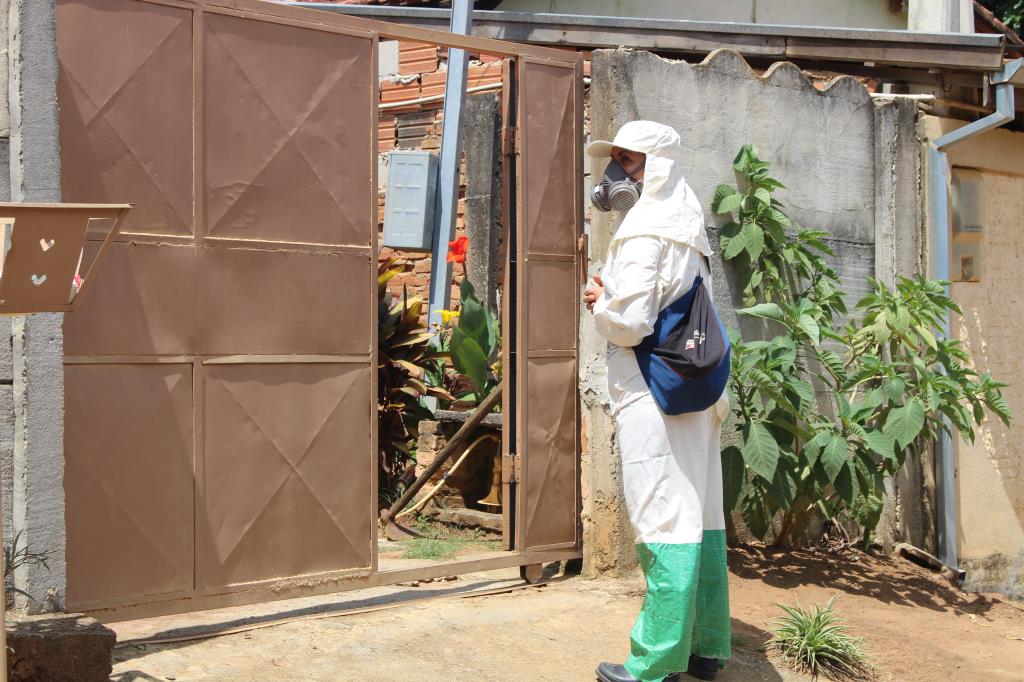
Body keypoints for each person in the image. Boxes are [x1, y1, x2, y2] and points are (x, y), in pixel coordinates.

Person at [583, 121, 731, 682]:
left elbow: (629, 324)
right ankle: (707, 647)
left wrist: (601, 301)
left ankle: (653, 663)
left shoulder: (645, 231)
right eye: (617, 160)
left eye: (632, 162)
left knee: (661, 516)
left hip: (653, 389)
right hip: (695, 386)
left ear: (659, 167)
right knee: (702, 512)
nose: (617, 174)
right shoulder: (686, 218)